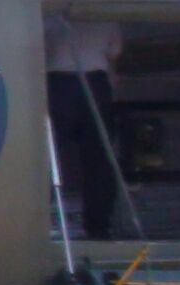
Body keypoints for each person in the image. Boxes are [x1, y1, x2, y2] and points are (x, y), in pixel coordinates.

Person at [45, 16, 123, 240]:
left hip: (57, 84)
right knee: (99, 159)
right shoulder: (105, 17)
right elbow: (114, 52)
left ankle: (39, 221)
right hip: (95, 82)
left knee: (50, 156)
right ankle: (98, 226)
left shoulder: (51, 17)